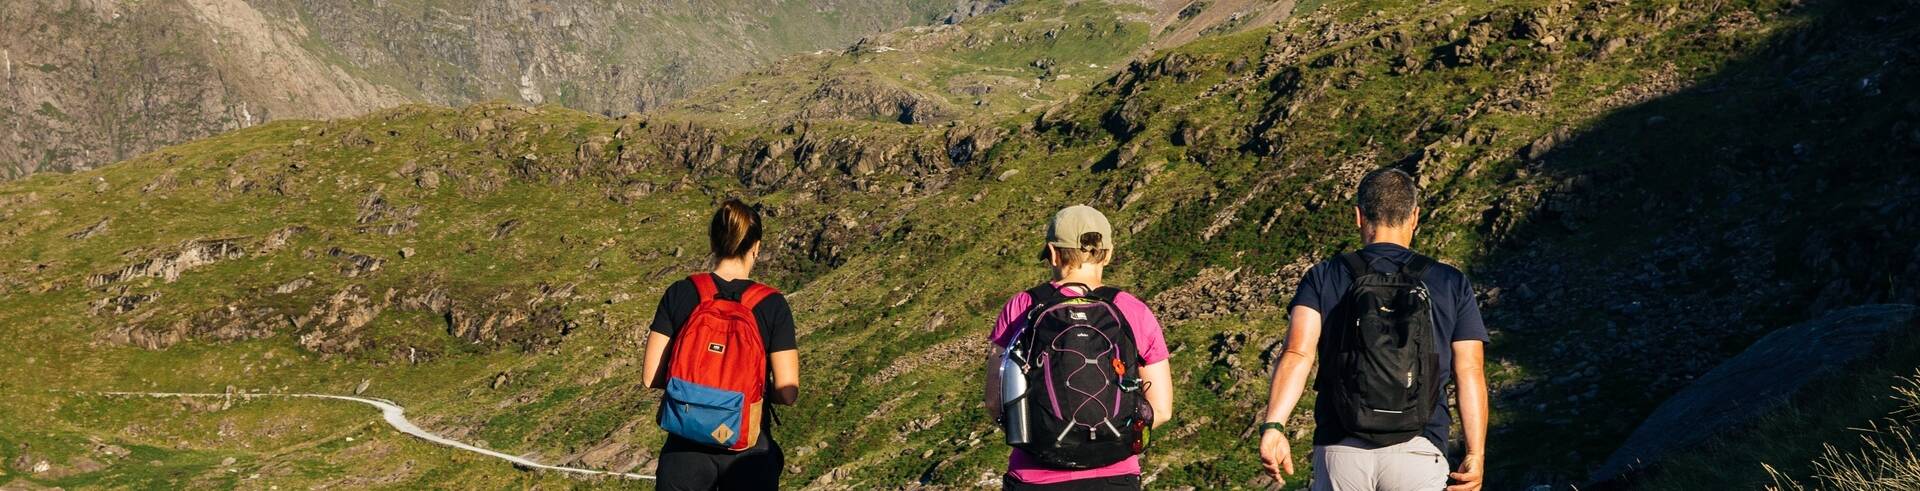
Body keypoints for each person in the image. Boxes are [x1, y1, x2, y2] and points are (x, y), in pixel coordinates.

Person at [1256, 168, 1489, 491]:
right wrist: (1475, 452)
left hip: (1341, 446)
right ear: (1415, 216)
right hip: (1420, 448)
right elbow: (1470, 370)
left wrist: (1274, 425)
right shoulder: (1450, 282)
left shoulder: (1324, 276)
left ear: (1358, 216)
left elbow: (1297, 352)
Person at [984, 204, 1175, 491]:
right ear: (1108, 254)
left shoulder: (1022, 306)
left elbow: (995, 402)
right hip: (1115, 476)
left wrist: (1044, 438)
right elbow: (1161, 410)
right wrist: (1110, 441)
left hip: (1035, 475)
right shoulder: (1132, 310)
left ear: (1051, 252)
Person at [642, 199, 800, 490]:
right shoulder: (772, 304)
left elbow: (651, 376)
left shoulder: (681, 292)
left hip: (683, 452)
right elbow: (788, 391)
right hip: (748, 452)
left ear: (713, 241)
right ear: (757, 247)